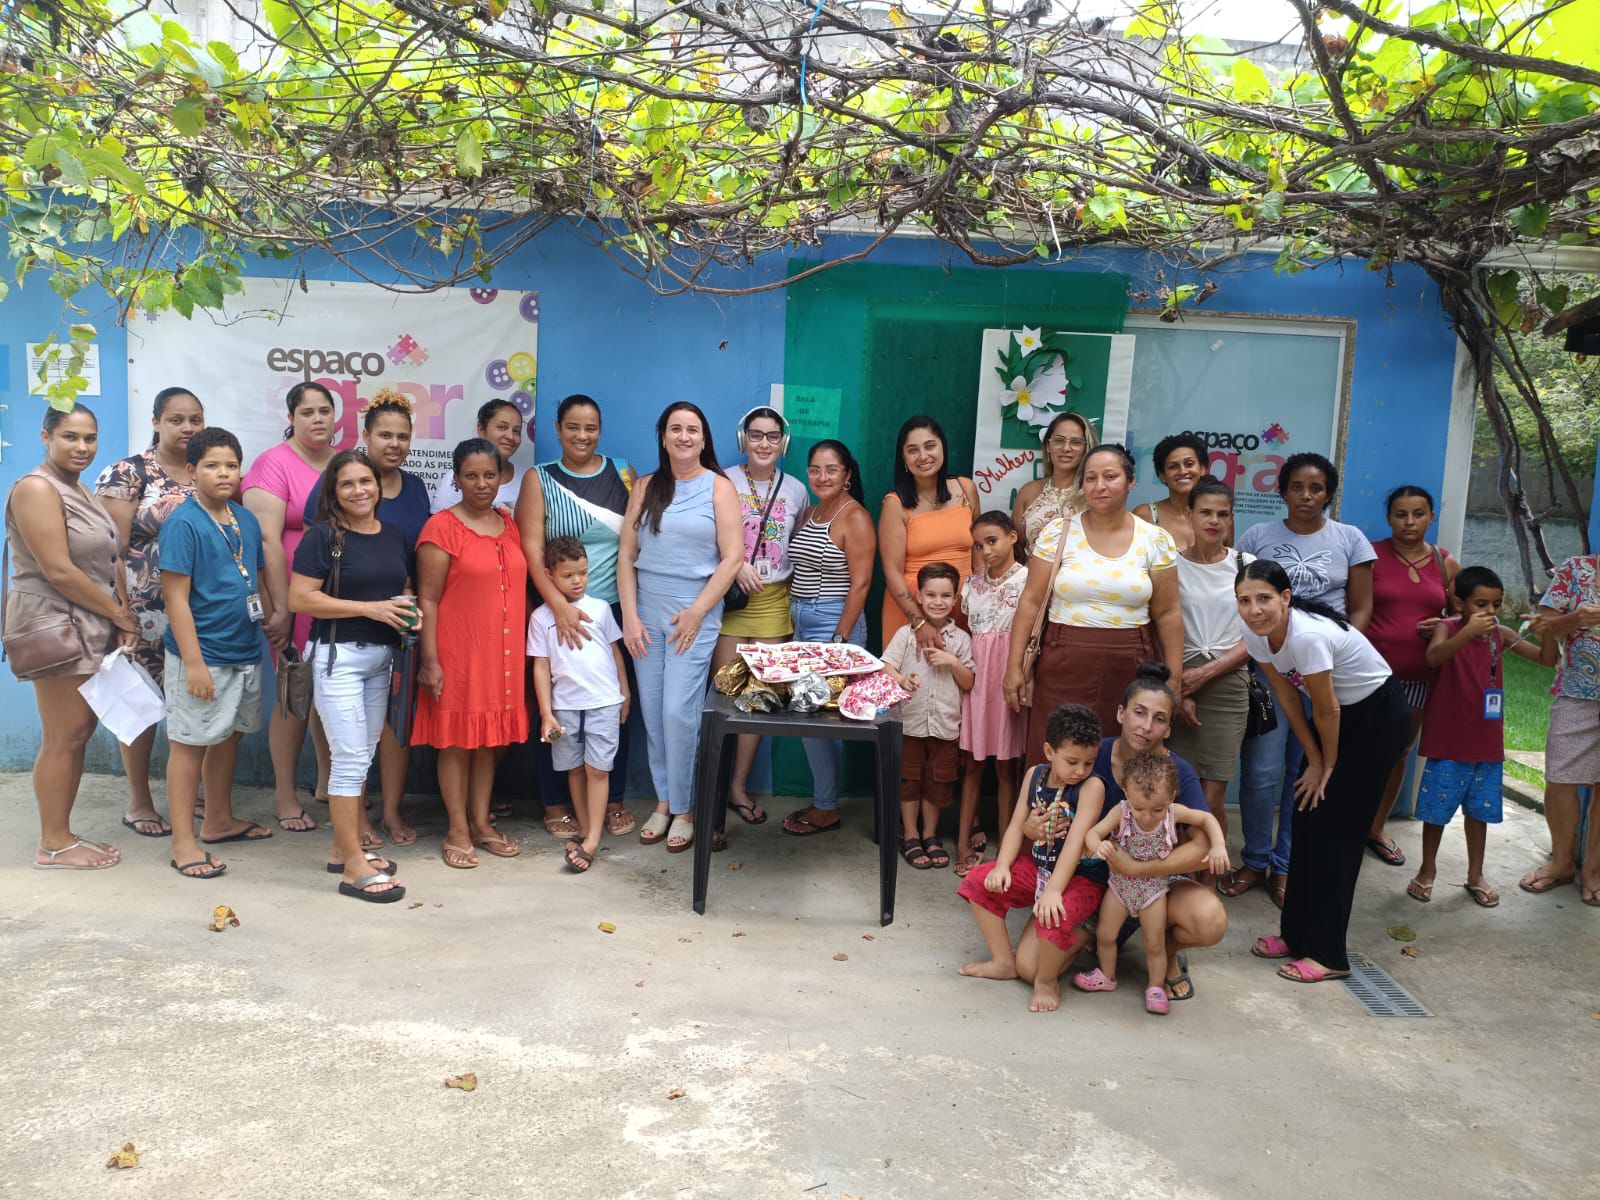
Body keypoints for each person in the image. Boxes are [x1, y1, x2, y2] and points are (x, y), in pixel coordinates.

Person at [1236, 560, 1411, 984]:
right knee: (1306, 816)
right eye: (1245, 600)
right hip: (1338, 721)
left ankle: (1330, 954)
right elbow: (1289, 700)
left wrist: (1326, 764)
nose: (1254, 609)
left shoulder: (1308, 636)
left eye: (1264, 598)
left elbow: (1328, 707)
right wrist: (1314, 760)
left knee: (1337, 834)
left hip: (1375, 720)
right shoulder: (1256, 634)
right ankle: (1295, 935)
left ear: (1285, 598)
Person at [1021, 664, 1231, 1002]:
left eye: (1159, 719)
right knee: (1031, 968)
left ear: (1168, 728)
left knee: (1210, 919)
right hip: (1089, 886)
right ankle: (1099, 940)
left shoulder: (1177, 772)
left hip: (1155, 888)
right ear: (1121, 713)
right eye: (1139, 713)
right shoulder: (1090, 756)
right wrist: (1030, 826)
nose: (1147, 726)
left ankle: (1164, 948)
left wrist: (1139, 869)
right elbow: (1043, 801)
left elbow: (1203, 844)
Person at [1230, 452, 1376, 907]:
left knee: (1305, 770)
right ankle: (1255, 859)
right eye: (1297, 487)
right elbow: (1247, 600)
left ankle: (1287, 865)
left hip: (1321, 671)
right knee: (1261, 771)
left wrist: (1332, 657)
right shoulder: (1257, 536)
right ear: (1283, 491)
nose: (1306, 496)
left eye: (1316, 488)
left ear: (1329, 493)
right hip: (1273, 669)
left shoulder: (1349, 538)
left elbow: (1362, 606)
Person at [5, 404, 136, 870]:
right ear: (46, 437)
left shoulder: (78, 487)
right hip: (58, 622)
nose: (82, 447)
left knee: (77, 731)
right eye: (70, 437)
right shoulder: (37, 489)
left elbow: (109, 559)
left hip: (88, 619)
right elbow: (59, 570)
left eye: (90, 438)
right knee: (65, 734)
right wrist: (122, 616)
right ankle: (54, 843)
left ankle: (61, 832)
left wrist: (118, 615)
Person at [303, 389, 432, 846]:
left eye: (403, 436)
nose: (394, 443)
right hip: (341, 645)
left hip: (390, 648)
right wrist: (370, 609)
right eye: (384, 435)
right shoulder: (327, 529)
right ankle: (351, 840)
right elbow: (306, 590)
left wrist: (409, 611)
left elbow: (407, 573)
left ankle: (378, 823)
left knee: (380, 738)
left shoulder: (403, 512)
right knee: (351, 750)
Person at [618, 402, 744, 853]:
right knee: (653, 714)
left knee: (678, 712)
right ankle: (665, 800)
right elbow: (626, 558)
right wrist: (630, 617)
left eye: (693, 430)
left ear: (704, 439)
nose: (684, 437)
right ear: (664, 437)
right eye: (676, 429)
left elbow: (733, 559)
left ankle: (687, 809)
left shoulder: (719, 487)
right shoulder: (647, 487)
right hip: (646, 614)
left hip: (695, 613)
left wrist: (697, 612)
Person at [290, 451, 414, 902]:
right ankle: (353, 869)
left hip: (382, 659)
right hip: (337, 656)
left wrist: (406, 611)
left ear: (378, 486)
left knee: (362, 755)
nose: (360, 490)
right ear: (334, 493)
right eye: (348, 484)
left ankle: (343, 851)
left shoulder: (394, 536)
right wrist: (370, 609)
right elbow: (300, 598)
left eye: (367, 481)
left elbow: (399, 589)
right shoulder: (323, 538)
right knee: (347, 760)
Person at [516, 393, 636, 841]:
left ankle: (614, 800)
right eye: (573, 427)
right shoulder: (539, 479)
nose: (582, 436)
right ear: (557, 428)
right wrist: (559, 606)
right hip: (559, 611)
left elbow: (636, 541)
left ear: (600, 429)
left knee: (616, 709)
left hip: (612, 610)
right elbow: (531, 548)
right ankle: (556, 804)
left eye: (590, 427)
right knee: (558, 711)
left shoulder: (623, 471)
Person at [1003, 443, 1183, 742]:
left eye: (1110, 476)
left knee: (1121, 758)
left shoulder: (1155, 539)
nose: (1100, 486)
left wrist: (1174, 678)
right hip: (1062, 660)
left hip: (1130, 665)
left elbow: (1168, 613)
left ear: (1130, 481)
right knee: (1057, 756)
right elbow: (1031, 602)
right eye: (1090, 478)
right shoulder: (1059, 532)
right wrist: (1014, 668)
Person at [159, 428, 275, 879]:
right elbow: (176, 599)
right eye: (211, 465)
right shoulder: (183, 523)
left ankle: (220, 820)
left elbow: (255, 579)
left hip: (243, 648)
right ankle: (183, 842)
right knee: (188, 745)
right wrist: (193, 664)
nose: (223, 473)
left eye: (230, 465)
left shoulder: (244, 519)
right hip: (203, 655)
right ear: (192, 471)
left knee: (229, 735)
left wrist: (273, 618)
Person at [94, 385, 205, 837]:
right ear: (156, 421)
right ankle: (140, 803)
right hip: (143, 610)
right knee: (142, 704)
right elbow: (108, 550)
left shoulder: (207, 468)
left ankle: (192, 793)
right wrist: (121, 613)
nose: (187, 428)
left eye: (195, 419)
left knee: (196, 703)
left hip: (198, 608)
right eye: (177, 419)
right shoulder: (128, 473)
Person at [415, 438, 530, 869]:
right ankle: (457, 829)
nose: (482, 484)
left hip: (502, 655)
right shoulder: (441, 528)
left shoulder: (508, 523)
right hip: (459, 654)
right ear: (457, 478)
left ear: (501, 476)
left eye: (489, 475)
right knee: (457, 744)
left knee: (489, 743)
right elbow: (427, 599)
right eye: (471, 476)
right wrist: (431, 661)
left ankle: (482, 824)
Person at [1407, 567, 1552, 908]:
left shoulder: (1499, 634)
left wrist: (1547, 633)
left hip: (1485, 743)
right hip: (1448, 741)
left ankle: (1476, 874)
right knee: (1436, 812)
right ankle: (1427, 870)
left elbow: (1547, 660)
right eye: (1481, 604)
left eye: (1497, 604)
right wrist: (1465, 629)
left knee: (1480, 811)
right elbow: (1433, 658)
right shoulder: (1447, 627)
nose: (1490, 612)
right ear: (1460, 603)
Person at [956, 704, 1108, 1014]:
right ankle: (1002, 961)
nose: (1080, 770)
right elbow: (1015, 826)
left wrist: (1053, 891)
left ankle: (1047, 981)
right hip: (1040, 868)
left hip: (1078, 879)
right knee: (978, 881)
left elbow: (1075, 844)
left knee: (1034, 966)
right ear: (1050, 751)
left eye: (1088, 762)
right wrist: (1001, 867)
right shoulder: (1034, 776)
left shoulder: (1092, 787)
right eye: (1072, 761)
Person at [243, 381, 337, 834]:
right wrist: (278, 609)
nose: (317, 419)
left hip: (335, 596)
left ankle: (326, 781)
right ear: (292, 418)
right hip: (292, 598)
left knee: (329, 692)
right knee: (293, 696)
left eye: (325, 410)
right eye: (308, 412)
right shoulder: (273, 464)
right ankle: (284, 794)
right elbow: (265, 543)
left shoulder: (344, 463)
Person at [709, 407, 809, 826]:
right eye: (756, 435)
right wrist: (735, 564)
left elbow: (798, 539)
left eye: (772, 436)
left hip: (773, 604)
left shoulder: (797, 490)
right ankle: (712, 792)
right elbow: (708, 534)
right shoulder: (723, 481)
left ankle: (738, 785)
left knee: (757, 702)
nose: (763, 443)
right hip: (731, 600)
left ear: (782, 442)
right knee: (723, 697)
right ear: (742, 439)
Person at [1075, 750, 1228, 1014]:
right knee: (1105, 934)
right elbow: (1092, 833)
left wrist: (1219, 846)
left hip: (1153, 891)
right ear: (1125, 793)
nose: (1146, 816)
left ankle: (1155, 987)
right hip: (1119, 887)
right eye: (1138, 808)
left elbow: (1207, 818)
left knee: (1154, 942)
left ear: (1171, 797)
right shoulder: (1120, 812)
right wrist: (1097, 846)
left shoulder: (1173, 813)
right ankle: (1107, 976)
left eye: (1157, 809)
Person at [781, 440, 876, 837]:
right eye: (815, 469)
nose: (822, 477)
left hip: (835, 622)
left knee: (816, 719)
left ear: (847, 474)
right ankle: (826, 801)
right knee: (812, 719)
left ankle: (826, 807)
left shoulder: (854, 517)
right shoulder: (809, 511)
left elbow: (862, 583)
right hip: (802, 620)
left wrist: (841, 638)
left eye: (831, 469)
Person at [1363, 485, 1458, 868]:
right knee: (1357, 749)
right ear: (1389, 518)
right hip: (1368, 677)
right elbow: (1354, 608)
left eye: (1418, 514)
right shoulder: (1370, 556)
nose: (1409, 522)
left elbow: (1464, 615)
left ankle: (1376, 828)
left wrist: (1445, 624)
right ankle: (1345, 825)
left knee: (1398, 751)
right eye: (1401, 514)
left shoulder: (1444, 561)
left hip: (1418, 679)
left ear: (1431, 517)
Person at [529, 537, 630, 873]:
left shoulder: (600, 608)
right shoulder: (541, 618)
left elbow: (615, 652)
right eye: (568, 575)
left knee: (598, 770)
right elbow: (541, 666)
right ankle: (586, 828)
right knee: (574, 769)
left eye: (583, 573)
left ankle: (592, 840)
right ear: (548, 575)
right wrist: (546, 713)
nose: (577, 581)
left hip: (604, 702)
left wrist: (624, 693)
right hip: (564, 708)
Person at [1166, 479, 1251, 862]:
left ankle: (1206, 878)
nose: (1214, 520)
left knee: (1212, 798)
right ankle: (1177, 878)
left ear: (1231, 518)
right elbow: (1159, 625)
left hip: (1228, 682)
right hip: (1176, 678)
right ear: (1189, 515)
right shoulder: (1170, 565)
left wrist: (1207, 673)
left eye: (1222, 514)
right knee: (1177, 795)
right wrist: (1180, 688)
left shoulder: (1245, 565)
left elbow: (1259, 634)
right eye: (1206, 512)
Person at [880, 562, 975, 870]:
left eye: (945, 595)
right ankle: (909, 834)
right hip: (911, 723)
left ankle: (930, 835)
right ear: (918, 597)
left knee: (938, 784)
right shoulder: (906, 635)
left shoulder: (960, 639)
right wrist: (902, 680)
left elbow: (969, 681)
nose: (938, 601)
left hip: (945, 727)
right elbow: (885, 666)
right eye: (930, 594)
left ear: (956, 598)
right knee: (909, 782)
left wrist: (951, 661)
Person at [1521, 551, 1600, 904]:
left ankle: (1593, 870)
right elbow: (1544, 626)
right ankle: (1562, 862)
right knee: (1560, 777)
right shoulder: (1576, 569)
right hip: (1577, 690)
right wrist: (1576, 618)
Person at [955, 510, 1028, 875]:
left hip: (1008, 680)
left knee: (1005, 768)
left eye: (992, 541)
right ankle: (963, 844)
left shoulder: (1030, 581)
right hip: (977, 680)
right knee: (971, 763)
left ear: (1013, 537)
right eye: (979, 545)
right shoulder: (972, 585)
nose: (985, 550)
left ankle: (1006, 853)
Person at [879, 415, 979, 647]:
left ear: (943, 447)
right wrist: (919, 622)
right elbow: (892, 572)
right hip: (912, 608)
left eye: (930, 446)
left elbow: (979, 551)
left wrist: (980, 601)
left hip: (963, 604)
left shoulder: (966, 489)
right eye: (913, 450)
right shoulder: (895, 503)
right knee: (912, 681)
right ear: (903, 458)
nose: (923, 456)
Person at [1011, 411, 1097, 549]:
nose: (1066, 448)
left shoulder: (1095, 494)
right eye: (1059, 440)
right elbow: (1015, 548)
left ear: (1086, 448)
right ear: (1048, 446)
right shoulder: (1028, 491)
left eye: (1076, 442)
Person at [432, 398, 525, 511]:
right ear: (481, 430)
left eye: (516, 431)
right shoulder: (457, 478)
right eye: (502, 427)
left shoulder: (527, 479)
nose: (510, 436)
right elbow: (438, 524)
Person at [1132, 432, 1209, 553]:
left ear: (1202, 469)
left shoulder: (1218, 516)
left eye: (1189, 464)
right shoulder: (1145, 515)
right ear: (1162, 475)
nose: (1183, 471)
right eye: (1173, 466)